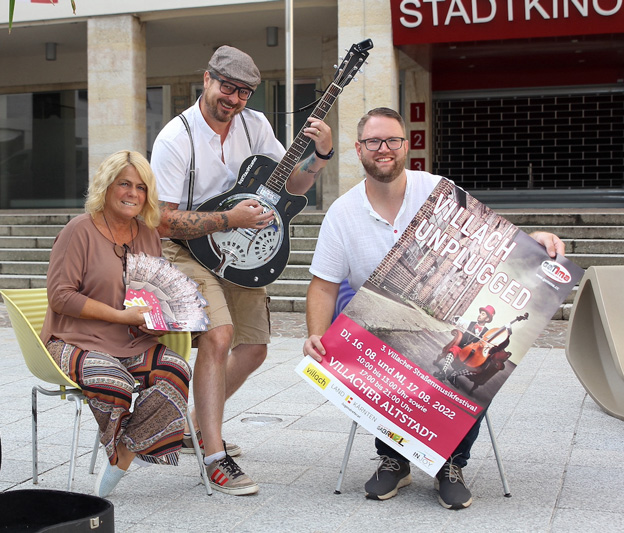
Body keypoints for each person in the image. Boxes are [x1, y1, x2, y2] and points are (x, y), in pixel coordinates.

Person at [302, 107, 565, 510]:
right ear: (359, 149)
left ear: (407, 146)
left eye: (393, 140)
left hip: (450, 314)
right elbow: (322, 286)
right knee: (373, 343)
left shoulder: (438, 189)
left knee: (477, 364)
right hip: (370, 324)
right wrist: (315, 336)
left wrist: (534, 241)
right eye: (374, 142)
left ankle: (451, 463)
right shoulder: (341, 213)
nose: (384, 149)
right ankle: (394, 458)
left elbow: (490, 244)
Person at [151, 45, 334, 495]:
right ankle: (215, 456)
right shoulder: (176, 138)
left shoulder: (255, 126)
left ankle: (195, 424)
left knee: (254, 348)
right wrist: (229, 220)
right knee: (218, 335)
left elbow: (289, 183)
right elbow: (161, 219)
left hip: (240, 250)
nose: (234, 100)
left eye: (245, 93)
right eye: (228, 88)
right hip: (185, 248)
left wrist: (321, 154)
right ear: (207, 79)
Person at [40, 150, 191, 498]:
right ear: (106, 186)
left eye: (141, 187)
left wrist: (162, 320)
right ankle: (130, 447)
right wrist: (121, 316)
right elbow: (61, 297)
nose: (133, 194)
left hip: (131, 340)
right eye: (125, 183)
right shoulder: (78, 230)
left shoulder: (148, 234)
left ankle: (123, 454)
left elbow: (150, 295)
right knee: (113, 382)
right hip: (74, 339)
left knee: (175, 369)